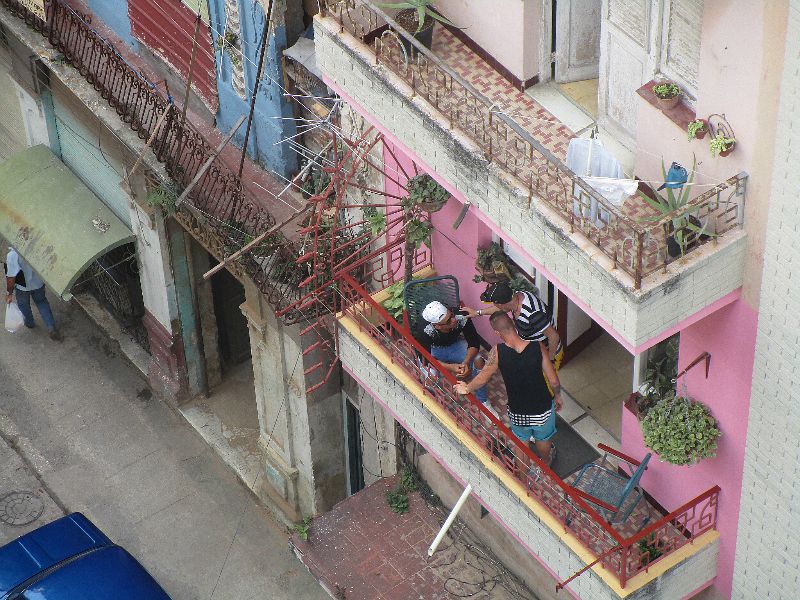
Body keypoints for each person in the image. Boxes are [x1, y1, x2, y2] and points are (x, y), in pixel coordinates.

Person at [454, 312, 561, 465]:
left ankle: (522, 476)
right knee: (543, 438)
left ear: (497, 333)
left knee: (521, 443)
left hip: (518, 410)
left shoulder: (497, 351)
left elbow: (483, 377)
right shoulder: (538, 347)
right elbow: (554, 381)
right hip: (542, 407)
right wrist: (557, 396)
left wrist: (467, 388)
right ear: (514, 325)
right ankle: (545, 463)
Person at [465, 281, 563, 369]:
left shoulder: (532, 313)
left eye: (495, 304)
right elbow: (499, 309)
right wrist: (477, 313)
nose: (495, 306)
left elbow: (553, 336)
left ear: (501, 304)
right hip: (532, 349)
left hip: (547, 354)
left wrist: (550, 361)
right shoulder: (515, 298)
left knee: (544, 381)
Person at [414, 300, 488, 405]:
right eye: (448, 321)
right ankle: (431, 400)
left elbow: (474, 342)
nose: (454, 320)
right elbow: (425, 359)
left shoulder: (461, 315)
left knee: (479, 360)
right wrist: (451, 367)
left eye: (452, 315)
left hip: (455, 345)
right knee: (431, 375)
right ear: (437, 326)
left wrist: (465, 362)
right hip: (433, 349)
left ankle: (483, 400)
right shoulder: (424, 330)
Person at [5, 247, 62, 341]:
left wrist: (9, 293)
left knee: (23, 305)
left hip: (22, 287)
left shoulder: (12, 255)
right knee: (42, 302)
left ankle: (30, 323)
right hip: (38, 283)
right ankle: (51, 327)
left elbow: (11, 277)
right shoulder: (39, 248)